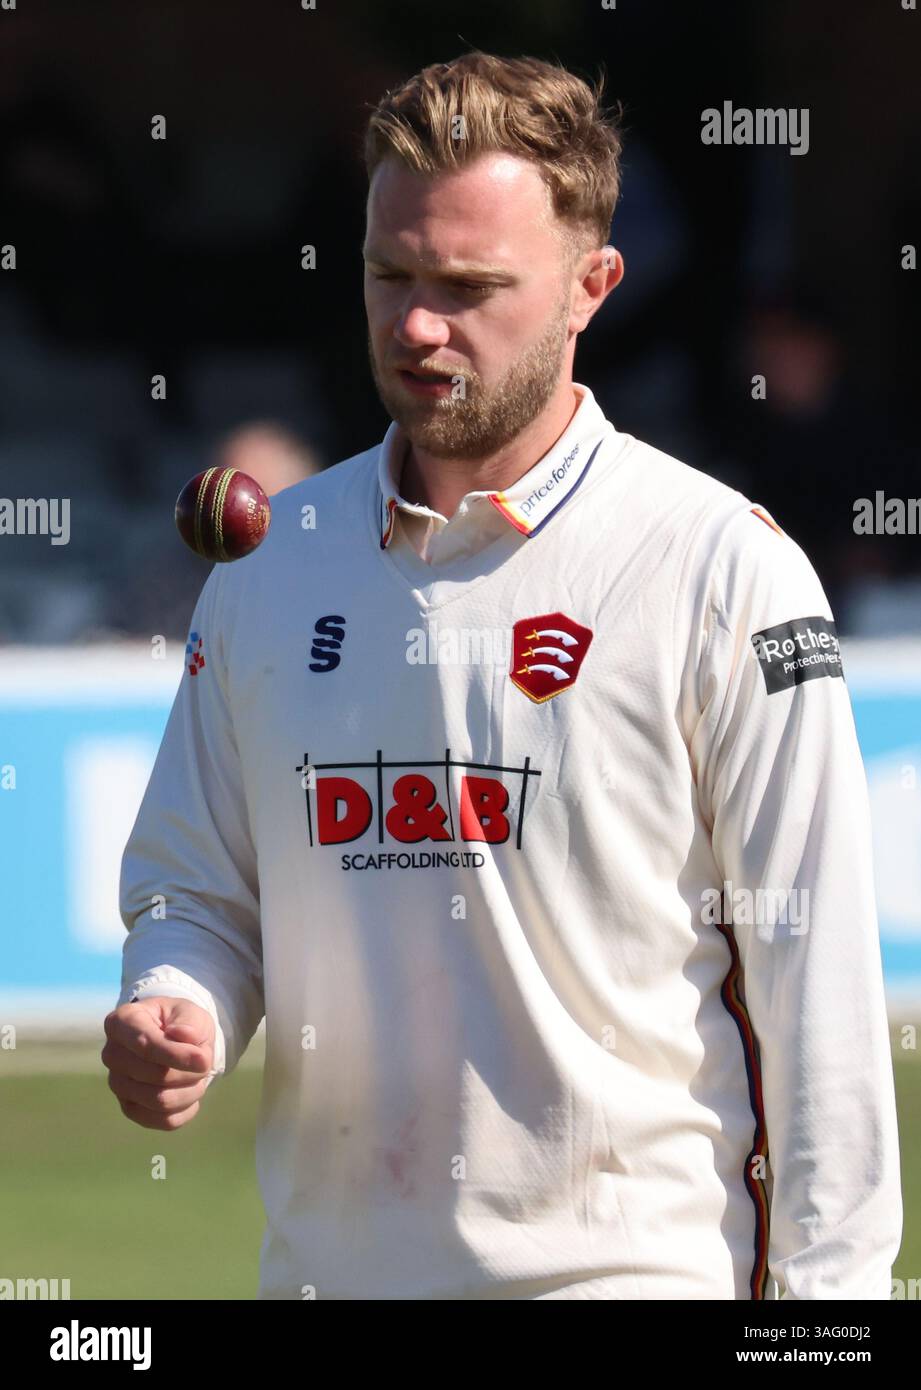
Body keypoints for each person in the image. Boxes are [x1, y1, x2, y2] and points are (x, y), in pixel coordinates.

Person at [105, 51, 901, 1301]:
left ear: (593, 287)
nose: (418, 324)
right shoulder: (270, 568)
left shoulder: (718, 572)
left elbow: (821, 1003)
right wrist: (176, 1000)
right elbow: (197, 890)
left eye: (470, 286)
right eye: (391, 276)